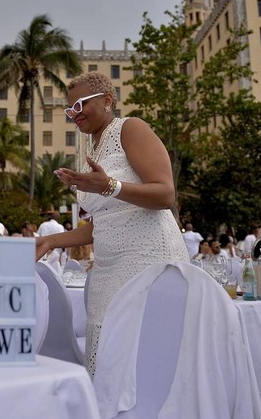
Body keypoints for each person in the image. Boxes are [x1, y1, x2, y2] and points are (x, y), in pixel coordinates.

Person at [37, 71, 188, 376]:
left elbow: (165, 194)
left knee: (142, 360)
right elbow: (102, 223)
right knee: (108, 357)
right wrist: (51, 241)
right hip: (108, 266)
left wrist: (109, 186)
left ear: (107, 100)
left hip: (146, 260)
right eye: (69, 110)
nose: (74, 115)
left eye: (79, 105)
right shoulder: (92, 150)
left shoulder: (130, 128)